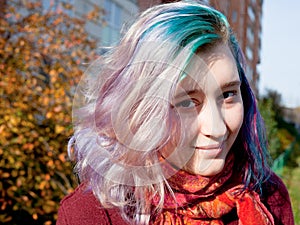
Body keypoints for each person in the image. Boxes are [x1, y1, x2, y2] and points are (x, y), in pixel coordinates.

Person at [57, 1, 294, 224]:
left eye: (228, 94)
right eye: (186, 102)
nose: (217, 128)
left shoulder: (269, 196)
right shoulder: (90, 214)